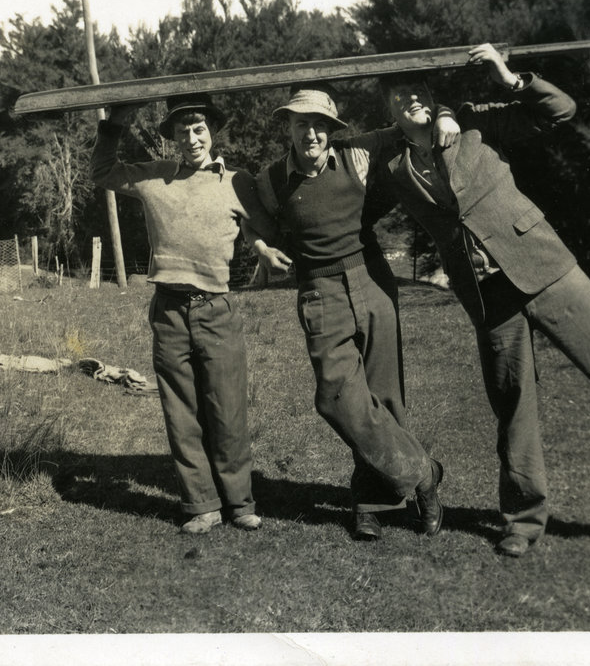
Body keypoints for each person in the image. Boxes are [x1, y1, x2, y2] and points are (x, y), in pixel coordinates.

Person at [377, 43, 590, 557]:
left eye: (417, 90)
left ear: (433, 96)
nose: (409, 98)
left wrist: (507, 76)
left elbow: (561, 111)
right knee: (514, 408)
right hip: (488, 295)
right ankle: (522, 521)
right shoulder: (391, 165)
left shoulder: (476, 124)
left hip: (543, 265)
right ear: (388, 110)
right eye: (398, 94)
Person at [249, 82, 457, 541]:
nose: (312, 135)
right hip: (319, 291)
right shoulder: (271, 180)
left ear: (332, 130)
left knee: (383, 395)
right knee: (338, 397)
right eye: (302, 124)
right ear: (289, 127)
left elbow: (407, 126)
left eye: (320, 126)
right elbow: (251, 219)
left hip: (371, 277)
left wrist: (442, 113)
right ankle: (424, 472)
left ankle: (370, 502)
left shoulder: (358, 154)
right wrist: (262, 247)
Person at [90, 94, 278, 535]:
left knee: (227, 409)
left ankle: (239, 501)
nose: (192, 139)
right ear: (172, 137)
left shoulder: (237, 181)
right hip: (169, 311)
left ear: (212, 132)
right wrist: (115, 122)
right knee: (181, 411)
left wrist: (261, 245)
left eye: (199, 130)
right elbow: (101, 171)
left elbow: (259, 224)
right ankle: (201, 504)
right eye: (182, 131)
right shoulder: (156, 177)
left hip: (218, 309)